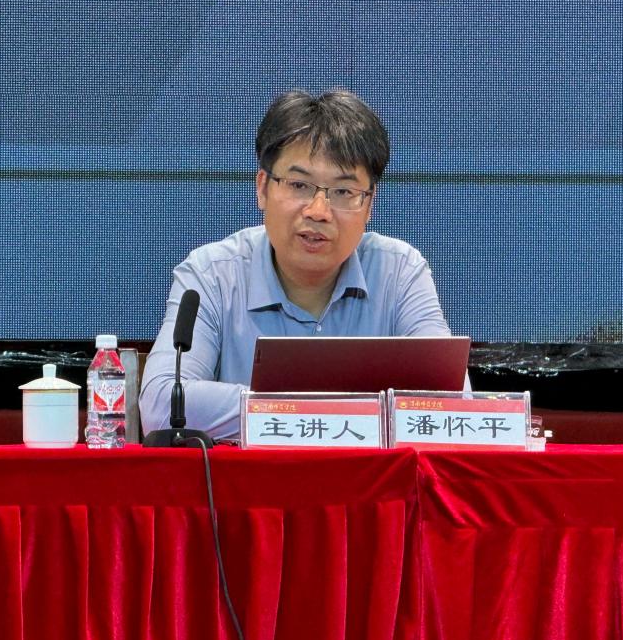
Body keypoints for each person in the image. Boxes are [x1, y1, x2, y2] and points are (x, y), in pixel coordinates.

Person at [139, 89, 453, 440]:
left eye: (343, 192)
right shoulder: (211, 274)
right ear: (262, 188)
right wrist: (329, 412)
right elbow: (162, 406)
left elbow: (454, 406)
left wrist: (288, 411)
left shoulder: (400, 272)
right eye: (300, 185)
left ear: (369, 205)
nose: (318, 211)